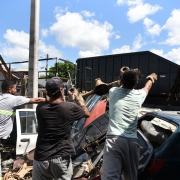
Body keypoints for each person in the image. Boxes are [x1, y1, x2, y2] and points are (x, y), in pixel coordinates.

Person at [101, 68, 157, 180]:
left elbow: (120, 85)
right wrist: (151, 78)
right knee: (131, 177)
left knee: (110, 177)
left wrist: (123, 76)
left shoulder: (113, 92)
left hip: (114, 140)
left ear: (121, 81)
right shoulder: (139, 95)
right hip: (132, 142)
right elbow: (147, 87)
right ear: (136, 83)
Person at [32, 77, 90, 180]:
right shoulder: (70, 107)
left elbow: (53, 103)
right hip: (60, 157)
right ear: (61, 90)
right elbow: (87, 114)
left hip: (41, 157)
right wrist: (79, 100)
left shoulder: (40, 108)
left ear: (46, 92)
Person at [0, 79, 46, 144]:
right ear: (9, 89)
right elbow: (36, 100)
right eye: (15, 88)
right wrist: (51, 99)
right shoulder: (14, 99)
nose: (16, 90)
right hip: (2, 138)